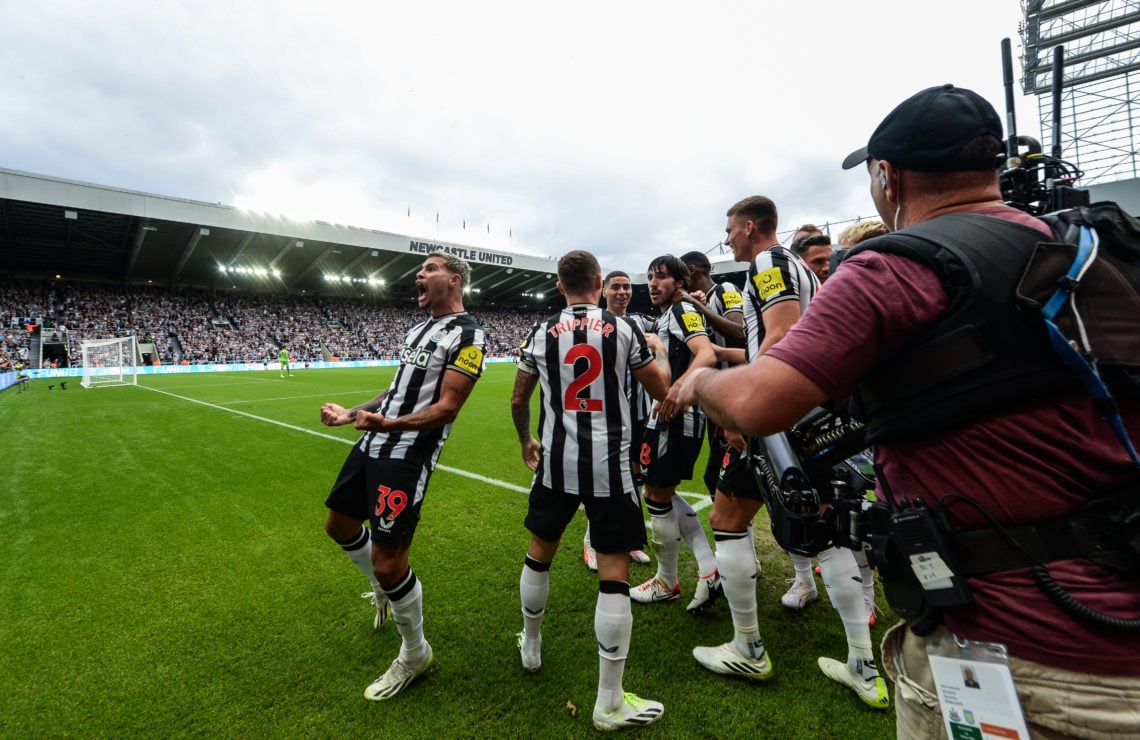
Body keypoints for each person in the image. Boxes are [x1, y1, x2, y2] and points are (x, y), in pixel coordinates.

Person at [674, 85, 1140, 738]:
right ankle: (856, 658)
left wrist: (699, 381)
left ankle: (755, 646)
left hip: (1022, 650)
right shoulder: (1090, 250)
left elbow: (761, 399)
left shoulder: (894, 267)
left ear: (888, 178)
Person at [511, 250, 670, 731]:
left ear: (560, 286)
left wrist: (526, 439)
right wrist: (658, 349)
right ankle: (609, 701)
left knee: (539, 553)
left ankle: (532, 645)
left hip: (555, 463)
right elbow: (661, 388)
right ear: (599, 282)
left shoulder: (539, 332)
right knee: (614, 570)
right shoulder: (624, 329)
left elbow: (519, 398)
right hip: (610, 465)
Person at [318, 252, 486, 701]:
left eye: (429, 269)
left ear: (454, 279)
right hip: (372, 444)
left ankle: (415, 653)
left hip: (407, 455)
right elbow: (394, 391)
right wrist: (351, 414)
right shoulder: (416, 329)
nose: (420, 275)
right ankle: (382, 590)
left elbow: (448, 408)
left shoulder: (470, 336)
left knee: (390, 561)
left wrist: (387, 426)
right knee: (339, 524)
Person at [630, 255, 721, 613]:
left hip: (679, 417)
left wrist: (676, 390)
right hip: (668, 417)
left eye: (662, 277)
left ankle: (668, 581)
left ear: (680, 283)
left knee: (656, 495)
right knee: (659, 493)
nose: (653, 283)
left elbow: (706, 353)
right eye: (651, 277)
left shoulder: (683, 311)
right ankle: (709, 568)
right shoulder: (668, 315)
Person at [582, 270, 654, 571]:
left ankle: (630, 541)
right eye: (615, 287)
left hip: (639, 416)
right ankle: (591, 542)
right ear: (603, 291)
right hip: (607, 417)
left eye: (626, 287)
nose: (622, 292)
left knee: (633, 479)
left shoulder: (645, 322)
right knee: (603, 479)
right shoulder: (594, 325)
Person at [678, 251, 745, 500]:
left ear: (692, 270)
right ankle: (733, 530)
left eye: (681, 273)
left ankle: (735, 529)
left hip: (735, 395)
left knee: (729, 480)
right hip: (717, 397)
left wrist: (697, 305)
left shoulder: (726, 289)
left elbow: (739, 332)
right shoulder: (707, 300)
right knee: (715, 478)